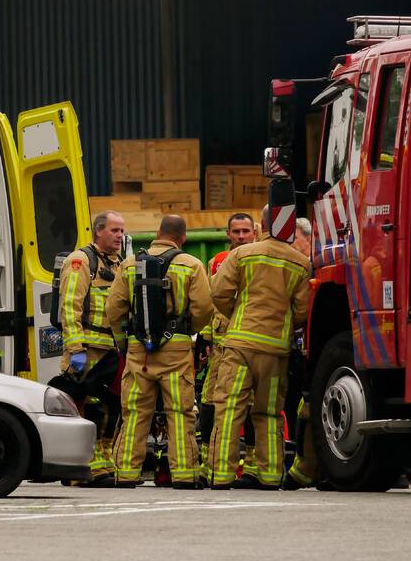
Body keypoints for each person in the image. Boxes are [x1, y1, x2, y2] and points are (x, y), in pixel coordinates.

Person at [207, 205, 311, 489]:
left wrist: (238, 313)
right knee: (268, 413)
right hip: (276, 351)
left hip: (240, 345)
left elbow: (218, 292)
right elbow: (302, 311)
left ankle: (221, 475)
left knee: (229, 411)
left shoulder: (241, 254)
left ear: (259, 227)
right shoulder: (300, 263)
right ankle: (269, 475)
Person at [106, 215, 213, 488]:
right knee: (180, 412)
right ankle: (185, 474)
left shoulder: (130, 264)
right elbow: (203, 309)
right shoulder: (191, 265)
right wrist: (187, 331)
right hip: (176, 350)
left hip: (138, 350)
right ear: (183, 237)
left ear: (157, 233)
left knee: (135, 413)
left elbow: (114, 309)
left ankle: (125, 473)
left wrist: (123, 342)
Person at [50, 211, 125, 486]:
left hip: (110, 351)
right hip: (87, 350)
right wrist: (76, 348)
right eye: (114, 231)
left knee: (110, 407)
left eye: (121, 231)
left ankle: (103, 463)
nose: (119, 236)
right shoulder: (80, 262)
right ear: (99, 232)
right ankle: (78, 469)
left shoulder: (118, 265)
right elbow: (70, 307)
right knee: (85, 408)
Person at [197, 213, 255, 480]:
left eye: (245, 231)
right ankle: (208, 458)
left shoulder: (260, 258)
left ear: (254, 232)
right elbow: (210, 303)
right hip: (220, 347)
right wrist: (206, 339)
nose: (241, 236)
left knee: (252, 405)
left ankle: (252, 459)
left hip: (251, 343)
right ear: (228, 234)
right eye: (236, 231)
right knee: (209, 401)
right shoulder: (217, 262)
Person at [283, 217, 319, 491]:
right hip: (291, 350)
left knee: (306, 406)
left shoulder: (315, 268)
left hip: (307, 351)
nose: (289, 246)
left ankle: (305, 469)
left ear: (309, 238)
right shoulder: (292, 267)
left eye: (293, 239)